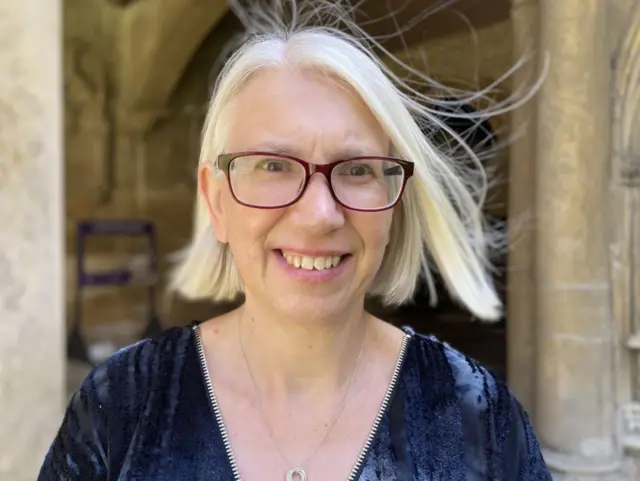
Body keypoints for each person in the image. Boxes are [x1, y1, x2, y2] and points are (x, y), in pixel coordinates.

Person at [39, 1, 551, 479]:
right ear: (216, 202)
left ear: (395, 202)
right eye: (273, 166)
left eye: (355, 169)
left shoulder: (481, 419)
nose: (319, 215)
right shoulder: (120, 409)